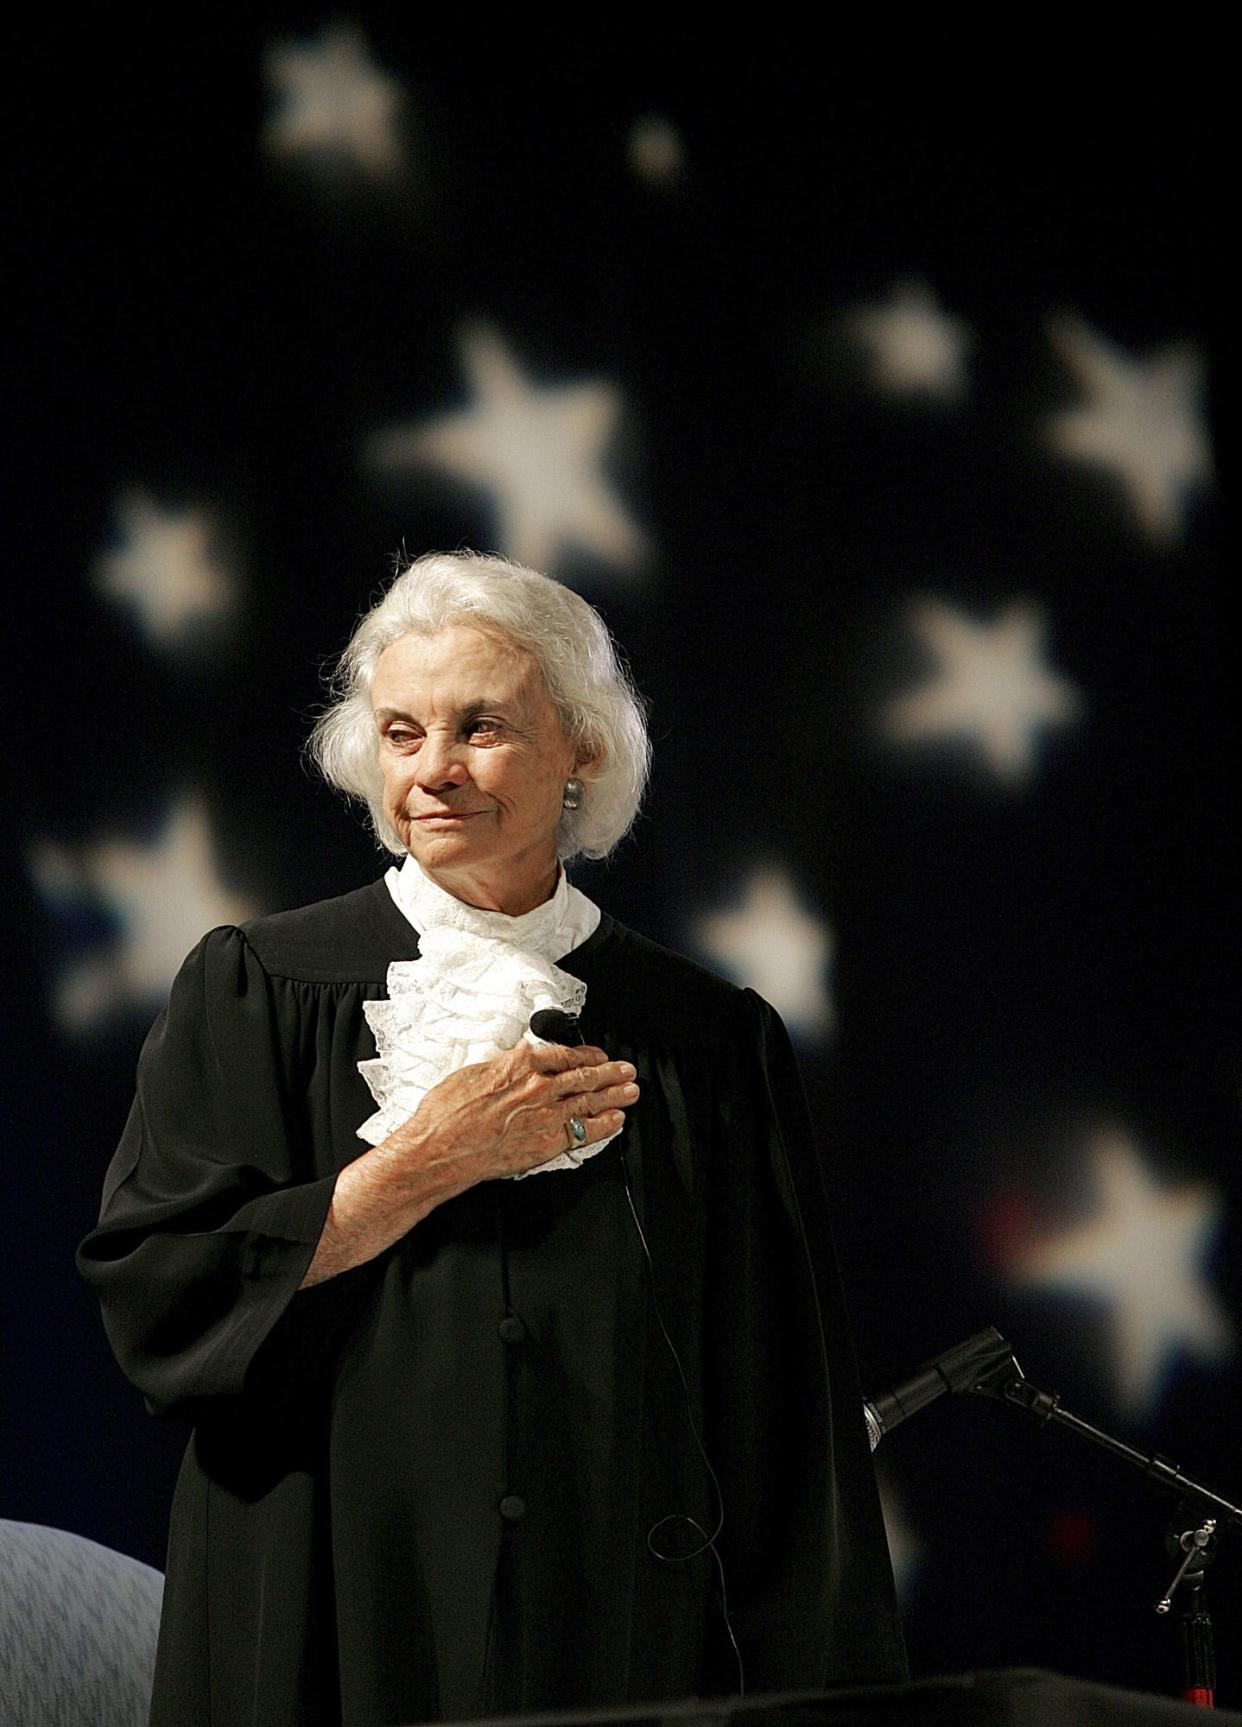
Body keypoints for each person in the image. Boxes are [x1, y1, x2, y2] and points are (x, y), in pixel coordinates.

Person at [79, 550, 906, 1727]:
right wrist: (425, 1162)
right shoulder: (255, 985)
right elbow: (161, 1286)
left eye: (480, 727)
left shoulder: (707, 1037)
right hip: (324, 1595)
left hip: (617, 1625)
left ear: (583, 749)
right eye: (403, 732)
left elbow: (781, 1409)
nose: (433, 772)